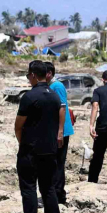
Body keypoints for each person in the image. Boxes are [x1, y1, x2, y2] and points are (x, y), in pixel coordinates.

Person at [13, 61, 63, 213]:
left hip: (30, 151)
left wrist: (23, 144)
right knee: (48, 189)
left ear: (33, 75)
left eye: (28, 75)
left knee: (29, 189)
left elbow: (18, 126)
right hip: (49, 151)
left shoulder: (29, 97)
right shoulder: (54, 96)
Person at [45, 62, 73, 205]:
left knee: (58, 164)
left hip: (61, 131)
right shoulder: (50, 87)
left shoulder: (57, 86)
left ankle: (59, 195)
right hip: (55, 130)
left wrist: (60, 132)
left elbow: (62, 108)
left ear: (49, 73)